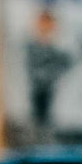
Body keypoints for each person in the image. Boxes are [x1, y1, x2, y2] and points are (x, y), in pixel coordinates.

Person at [25, 8, 72, 139]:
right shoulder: (30, 47)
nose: (45, 28)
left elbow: (63, 64)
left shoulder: (56, 49)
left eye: (49, 24)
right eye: (43, 24)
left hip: (54, 94)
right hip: (39, 92)